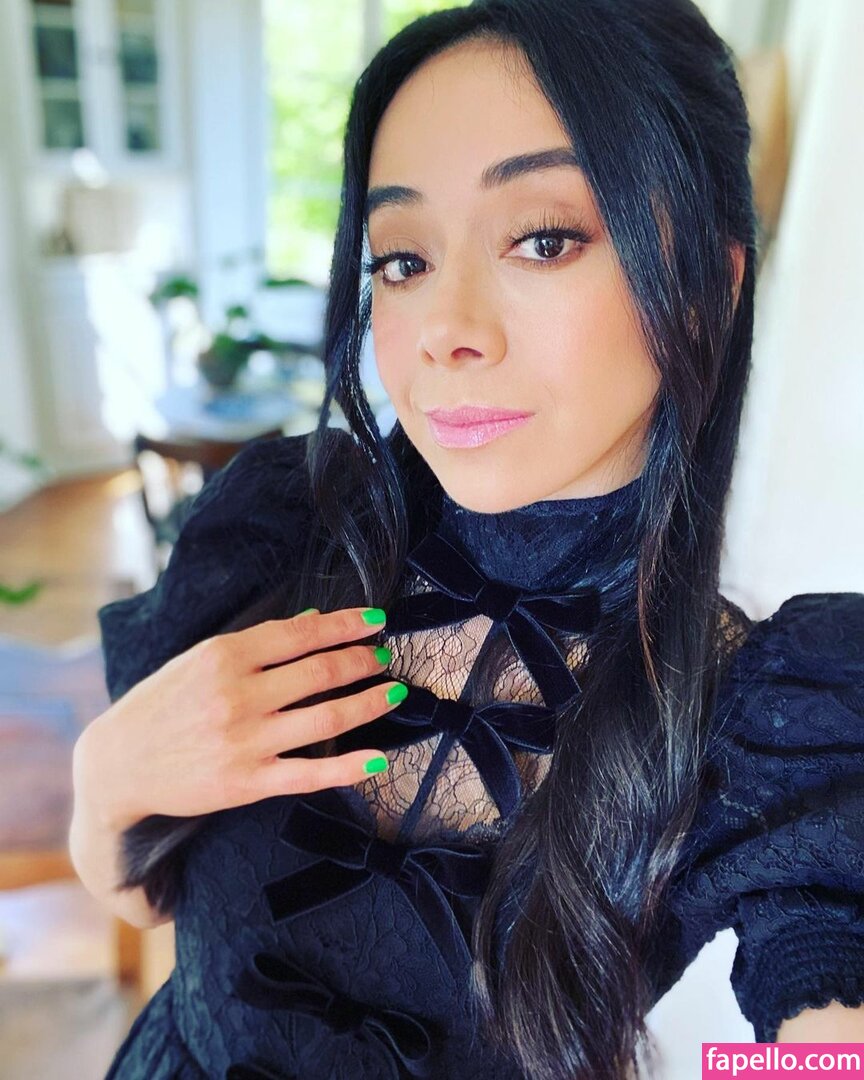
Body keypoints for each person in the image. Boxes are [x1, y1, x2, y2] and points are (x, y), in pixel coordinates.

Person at [70, 0, 864, 1077]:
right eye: (403, 259)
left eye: (544, 239)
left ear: (707, 287)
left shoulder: (757, 709)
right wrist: (106, 776)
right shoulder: (278, 529)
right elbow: (147, 894)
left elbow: (826, 1031)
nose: (445, 331)